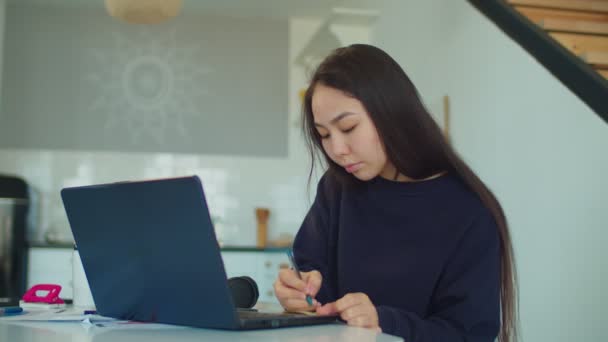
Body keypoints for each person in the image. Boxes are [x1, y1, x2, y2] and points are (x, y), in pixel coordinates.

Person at [273, 44, 518, 342]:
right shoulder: (337, 188)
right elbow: (312, 275)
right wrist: (300, 294)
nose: (337, 149)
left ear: (391, 112)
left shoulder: (470, 212)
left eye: (348, 128)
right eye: (324, 135)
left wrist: (383, 321)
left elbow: (468, 334)